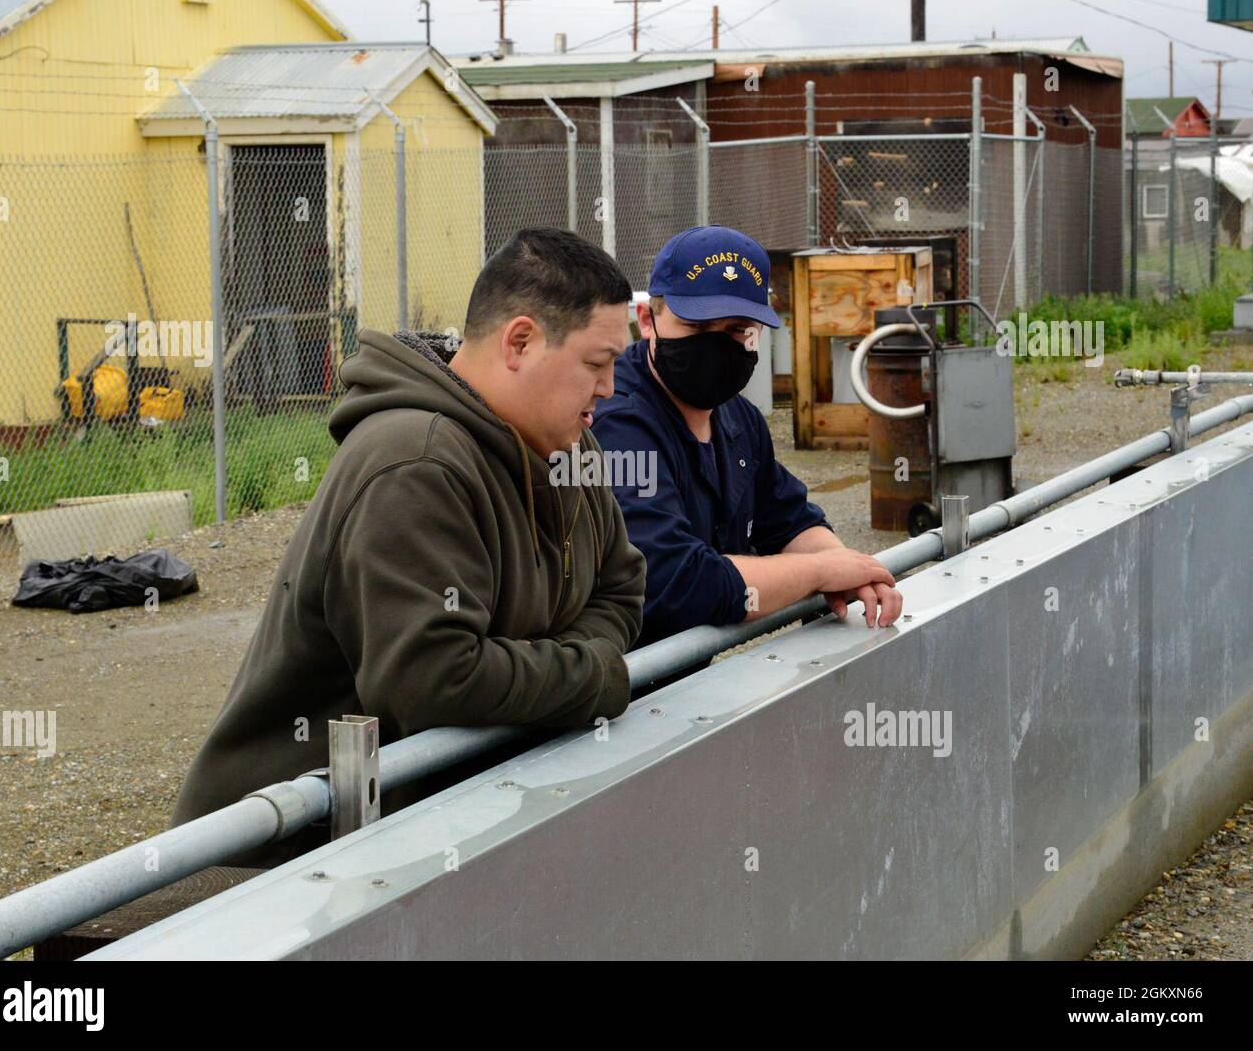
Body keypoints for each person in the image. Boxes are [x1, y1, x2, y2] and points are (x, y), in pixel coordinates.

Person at [171, 228, 645, 866]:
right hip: (293, 854)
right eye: (596, 363)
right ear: (521, 341)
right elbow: (435, 680)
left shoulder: (566, 447)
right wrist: (594, 676)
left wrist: (548, 665)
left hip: (424, 822)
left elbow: (621, 585)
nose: (611, 387)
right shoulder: (413, 462)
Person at [592, 225, 901, 667]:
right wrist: (819, 572)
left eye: (737, 330)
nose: (718, 346)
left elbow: (788, 520)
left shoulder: (737, 416)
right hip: (617, 693)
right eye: (697, 325)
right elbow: (677, 583)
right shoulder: (616, 422)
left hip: (681, 678)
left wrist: (853, 571)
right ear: (646, 320)